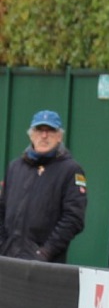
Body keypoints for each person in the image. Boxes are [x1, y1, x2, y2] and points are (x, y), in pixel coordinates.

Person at [0, 109, 87, 263]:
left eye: (50, 130)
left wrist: (45, 253)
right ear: (31, 135)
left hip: (44, 266)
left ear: (59, 136)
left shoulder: (70, 170)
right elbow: (2, 208)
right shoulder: (15, 167)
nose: (44, 136)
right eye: (39, 130)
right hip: (8, 260)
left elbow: (73, 218)